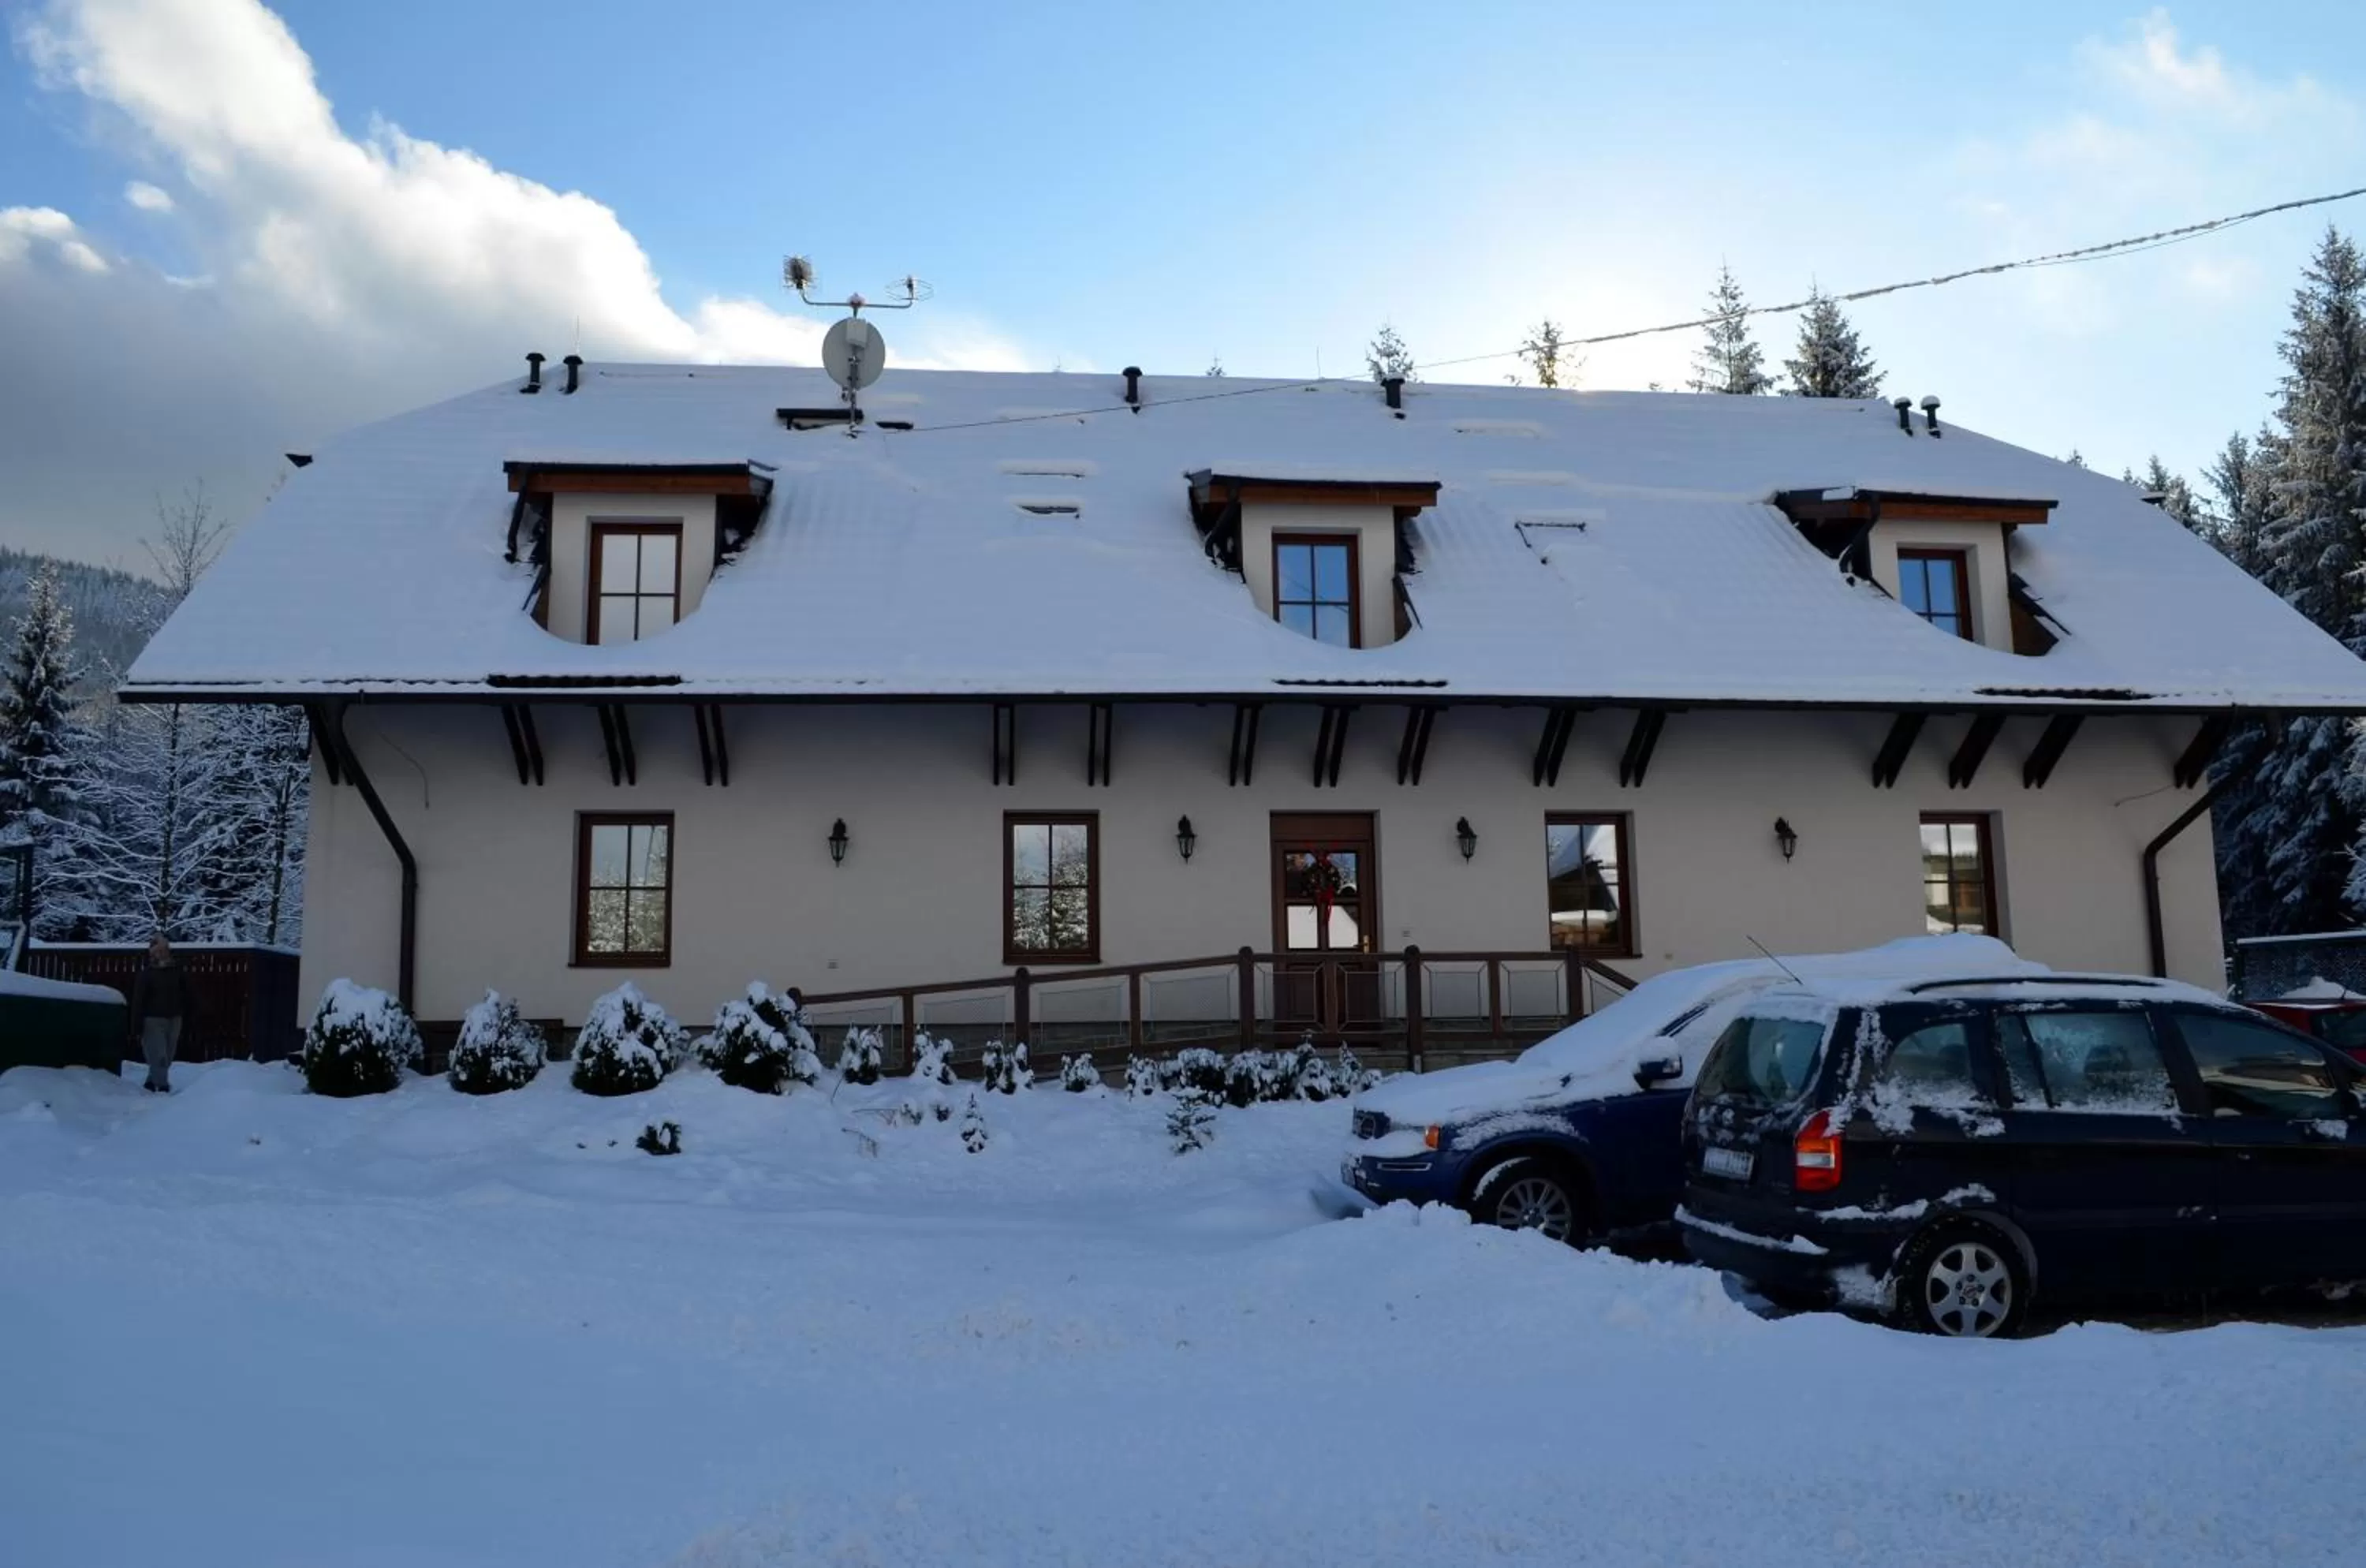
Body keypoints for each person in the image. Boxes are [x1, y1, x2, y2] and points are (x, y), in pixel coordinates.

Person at [129, 935, 190, 1093]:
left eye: (165, 950)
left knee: (168, 1055)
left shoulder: (177, 971)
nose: (163, 953)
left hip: (174, 1018)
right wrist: (136, 1026)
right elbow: (138, 1001)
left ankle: (151, 1081)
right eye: (159, 951)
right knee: (159, 1055)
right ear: (153, 953)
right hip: (153, 1019)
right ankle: (162, 1086)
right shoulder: (147, 974)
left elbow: (186, 993)